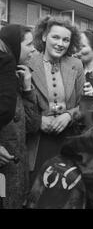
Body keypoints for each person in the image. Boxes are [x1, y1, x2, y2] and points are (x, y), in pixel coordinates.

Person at [27, 16, 85, 183]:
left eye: (66, 40)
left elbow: (84, 105)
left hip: (67, 140)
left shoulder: (76, 65)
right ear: (44, 36)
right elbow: (19, 106)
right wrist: (38, 121)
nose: (61, 43)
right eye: (56, 37)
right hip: (36, 141)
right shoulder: (28, 61)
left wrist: (68, 115)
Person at [0, 24, 40, 208]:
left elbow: (32, 126)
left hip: (17, 175)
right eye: (29, 44)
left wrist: (27, 89)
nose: (33, 49)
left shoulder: (17, 77)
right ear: (15, 45)